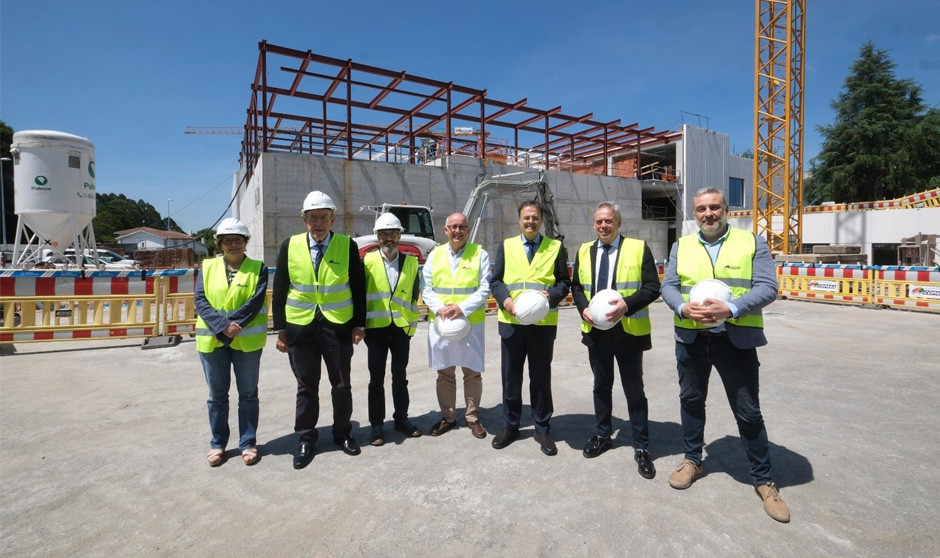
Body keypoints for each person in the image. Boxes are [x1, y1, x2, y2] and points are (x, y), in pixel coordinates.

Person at [660, 187, 789, 523]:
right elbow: (668, 286)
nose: (708, 214)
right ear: (695, 212)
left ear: (726, 209)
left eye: (714, 207)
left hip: (736, 338)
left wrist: (731, 307)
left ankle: (764, 480)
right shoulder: (682, 245)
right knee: (690, 400)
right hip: (692, 337)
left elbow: (767, 287)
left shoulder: (751, 242)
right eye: (701, 209)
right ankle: (692, 460)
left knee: (747, 411)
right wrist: (682, 306)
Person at [272, 190, 366, 470]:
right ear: (304, 219)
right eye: (313, 218)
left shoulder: (347, 245)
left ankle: (343, 433)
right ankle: (305, 439)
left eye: (324, 217)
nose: (318, 223)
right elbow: (279, 289)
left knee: (341, 384)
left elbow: (358, 287)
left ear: (333, 219)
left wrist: (359, 325)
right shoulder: (289, 246)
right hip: (300, 326)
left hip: (337, 325)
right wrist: (281, 330)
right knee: (306, 386)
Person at [571, 202, 660, 479]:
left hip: (628, 331)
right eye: (598, 222)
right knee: (601, 386)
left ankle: (642, 447)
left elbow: (652, 287)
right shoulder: (584, 250)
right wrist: (582, 307)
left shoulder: (637, 247)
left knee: (634, 391)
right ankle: (602, 434)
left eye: (608, 221)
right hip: (596, 330)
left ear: (618, 223)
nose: (603, 227)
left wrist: (626, 306)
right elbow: (576, 286)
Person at [489, 201, 570, 456]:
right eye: (526, 218)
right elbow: (496, 280)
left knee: (540, 378)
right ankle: (511, 425)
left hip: (542, 326)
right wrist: (505, 299)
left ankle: (542, 428)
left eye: (535, 218)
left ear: (541, 220)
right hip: (512, 324)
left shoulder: (555, 247)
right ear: (519, 220)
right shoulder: (507, 246)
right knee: (511, 378)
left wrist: (550, 296)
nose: (531, 222)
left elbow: (564, 283)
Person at [194, 218, 269, 467]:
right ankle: (218, 443)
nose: (233, 244)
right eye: (228, 241)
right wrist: (222, 326)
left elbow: (255, 302)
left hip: (245, 342)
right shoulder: (206, 267)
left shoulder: (258, 268)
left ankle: (248, 443)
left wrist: (233, 325)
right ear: (220, 244)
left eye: (238, 240)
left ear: (245, 242)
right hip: (213, 341)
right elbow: (201, 300)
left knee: (248, 394)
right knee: (217, 396)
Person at [421, 212, 490, 439]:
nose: (457, 231)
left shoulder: (480, 254)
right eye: (453, 227)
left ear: (468, 230)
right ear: (445, 230)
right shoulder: (435, 255)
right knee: (445, 373)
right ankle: (448, 417)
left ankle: (473, 417)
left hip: (470, 323)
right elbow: (427, 288)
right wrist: (440, 309)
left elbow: (484, 288)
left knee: (472, 373)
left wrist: (462, 308)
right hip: (442, 323)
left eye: (462, 227)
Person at [363, 213, 423, 446]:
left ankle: (402, 420)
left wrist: (411, 325)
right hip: (376, 330)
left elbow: (414, 294)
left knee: (401, 378)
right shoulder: (367, 261)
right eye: (384, 234)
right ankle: (377, 425)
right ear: (378, 237)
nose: (388, 238)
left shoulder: (410, 262)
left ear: (399, 235)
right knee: (375, 379)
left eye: (392, 233)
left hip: (401, 330)